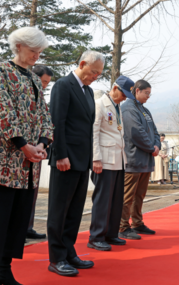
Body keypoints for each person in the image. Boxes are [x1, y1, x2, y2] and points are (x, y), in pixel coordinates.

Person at [0, 27, 52, 285]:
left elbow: (44, 115)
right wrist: (23, 145)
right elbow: (2, 112)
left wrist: (43, 143)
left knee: (18, 217)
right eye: (34, 51)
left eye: (39, 51)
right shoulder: (1, 71)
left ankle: (4, 269)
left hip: (28, 163)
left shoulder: (33, 78)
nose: (37, 56)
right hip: (5, 160)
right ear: (19, 46)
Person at [47, 51, 104, 277]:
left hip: (82, 160)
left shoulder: (88, 91)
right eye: (93, 72)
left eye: (99, 74)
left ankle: (69, 251)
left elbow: (88, 128)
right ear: (82, 64)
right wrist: (60, 154)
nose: (95, 77)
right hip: (66, 159)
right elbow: (56, 122)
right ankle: (56, 257)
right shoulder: (63, 85)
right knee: (59, 210)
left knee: (74, 211)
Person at [88, 76, 134, 252]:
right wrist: (96, 158)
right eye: (123, 93)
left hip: (118, 159)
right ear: (115, 88)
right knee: (102, 200)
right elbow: (94, 132)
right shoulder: (100, 104)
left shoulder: (117, 106)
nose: (124, 98)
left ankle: (111, 233)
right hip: (104, 159)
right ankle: (96, 236)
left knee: (116, 199)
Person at [119, 79, 161, 240]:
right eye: (146, 93)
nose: (148, 96)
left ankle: (137, 222)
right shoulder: (128, 108)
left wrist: (157, 145)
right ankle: (122, 226)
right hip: (133, 158)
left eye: (150, 94)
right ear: (137, 91)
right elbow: (135, 132)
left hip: (146, 160)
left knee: (140, 195)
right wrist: (152, 148)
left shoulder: (145, 110)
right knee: (127, 195)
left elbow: (155, 131)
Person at [26, 65, 54, 241]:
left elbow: (47, 122)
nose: (44, 86)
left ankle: (27, 227)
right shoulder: (23, 93)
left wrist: (43, 144)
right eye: (43, 81)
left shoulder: (41, 96)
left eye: (47, 83)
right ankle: (17, 229)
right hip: (22, 150)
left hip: (37, 150)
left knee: (32, 192)